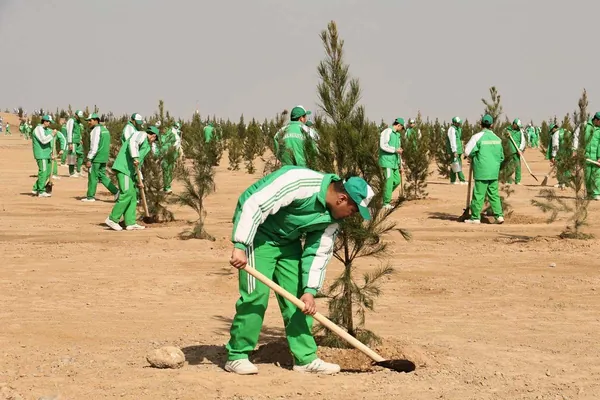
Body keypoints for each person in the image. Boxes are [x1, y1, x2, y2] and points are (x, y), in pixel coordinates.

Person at [224, 165, 375, 375]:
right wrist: (241, 244)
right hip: (258, 236)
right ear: (342, 198)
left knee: (299, 302)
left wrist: (309, 290)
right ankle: (237, 355)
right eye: (354, 210)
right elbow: (254, 203)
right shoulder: (299, 181)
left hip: (288, 243)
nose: (352, 216)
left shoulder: (332, 220)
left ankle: (305, 358)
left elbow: (317, 252)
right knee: (256, 295)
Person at [105, 126, 159, 231]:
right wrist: (135, 157)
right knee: (127, 193)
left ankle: (130, 222)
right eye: (155, 139)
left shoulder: (146, 146)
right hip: (124, 168)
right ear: (153, 135)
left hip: (130, 172)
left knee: (133, 196)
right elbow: (133, 143)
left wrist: (140, 180)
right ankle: (112, 219)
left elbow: (138, 164)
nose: (154, 142)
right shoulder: (141, 134)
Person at [464, 114, 505, 224]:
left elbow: (467, 151)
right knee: (494, 194)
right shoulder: (498, 139)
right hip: (493, 171)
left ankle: (475, 217)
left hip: (481, 170)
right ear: (492, 125)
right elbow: (502, 157)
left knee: (478, 194)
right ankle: (499, 216)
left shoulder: (477, 137)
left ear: (480, 124)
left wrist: (472, 156)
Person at [81, 113, 119, 202]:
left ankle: (90, 196)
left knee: (92, 176)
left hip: (96, 157)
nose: (89, 122)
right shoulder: (105, 130)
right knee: (101, 176)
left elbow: (94, 146)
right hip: (104, 157)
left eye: (90, 120)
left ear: (96, 120)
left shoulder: (95, 130)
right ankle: (116, 191)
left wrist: (89, 158)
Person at [379, 118, 404, 209]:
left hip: (394, 162)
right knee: (389, 182)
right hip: (387, 161)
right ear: (399, 125)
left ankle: (383, 195)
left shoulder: (397, 135)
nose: (401, 130)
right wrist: (394, 150)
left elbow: (398, 151)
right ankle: (386, 202)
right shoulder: (387, 131)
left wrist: (400, 164)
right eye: (402, 127)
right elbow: (383, 145)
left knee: (396, 181)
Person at [31, 115, 57, 197]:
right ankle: (41, 191)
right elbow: (43, 140)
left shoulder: (44, 130)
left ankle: (36, 188)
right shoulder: (38, 129)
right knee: (43, 172)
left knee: (48, 172)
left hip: (46, 154)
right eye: (49, 122)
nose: (49, 124)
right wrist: (52, 135)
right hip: (41, 154)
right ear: (44, 121)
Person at [160, 121, 182, 193]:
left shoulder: (176, 133)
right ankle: (166, 187)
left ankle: (167, 186)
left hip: (173, 153)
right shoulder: (169, 133)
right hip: (167, 153)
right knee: (166, 170)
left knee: (170, 170)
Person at [584, 112, 600, 200]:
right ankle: (589, 194)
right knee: (587, 176)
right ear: (596, 120)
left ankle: (597, 193)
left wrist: (599, 156)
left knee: (597, 175)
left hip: (596, 157)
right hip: (586, 156)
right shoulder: (586, 127)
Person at [446, 116, 467, 185]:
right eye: (458, 123)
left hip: (459, 150)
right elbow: (452, 141)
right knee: (457, 165)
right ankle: (462, 180)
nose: (459, 124)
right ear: (454, 123)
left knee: (454, 165)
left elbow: (459, 140)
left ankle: (452, 180)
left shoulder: (458, 129)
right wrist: (454, 151)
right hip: (455, 150)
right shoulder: (452, 130)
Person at [505, 118, 526, 185]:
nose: (518, 127)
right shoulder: (507, 130)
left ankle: (518, 180)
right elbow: (503, 138)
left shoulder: (520, 131)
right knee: (509, 166)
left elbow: (523, 141)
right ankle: (508, 181)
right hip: (509, 151)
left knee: (517, 166)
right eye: (517, 126)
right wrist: (506, 135)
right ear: (514, 124)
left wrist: (520, 149)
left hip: (517, 151)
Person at [66, 110, 85, 177]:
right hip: (73, 141)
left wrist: (80, 139)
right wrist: (70, 142)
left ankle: (78, 171)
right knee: (72, 156)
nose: (80, 118)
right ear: (76, 115)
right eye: (78, 116)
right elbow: (69, 131)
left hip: (78, 141)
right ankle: (71, 172)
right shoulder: (71, 121)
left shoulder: (78, 122)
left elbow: (79, 131)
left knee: (81, 155)